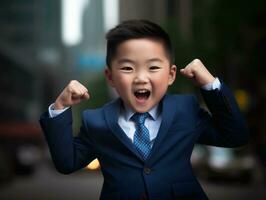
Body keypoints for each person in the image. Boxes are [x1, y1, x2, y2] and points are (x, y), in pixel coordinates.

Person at [39, 19, 249, 200]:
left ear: (171, 75)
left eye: (154, 67)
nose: (140, 78)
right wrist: (60, 107)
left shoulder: (186, 110)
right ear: (110, 77)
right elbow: (66, 163)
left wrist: (210, 84)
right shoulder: (95, 121)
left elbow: (235, 136)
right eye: (128, 68)